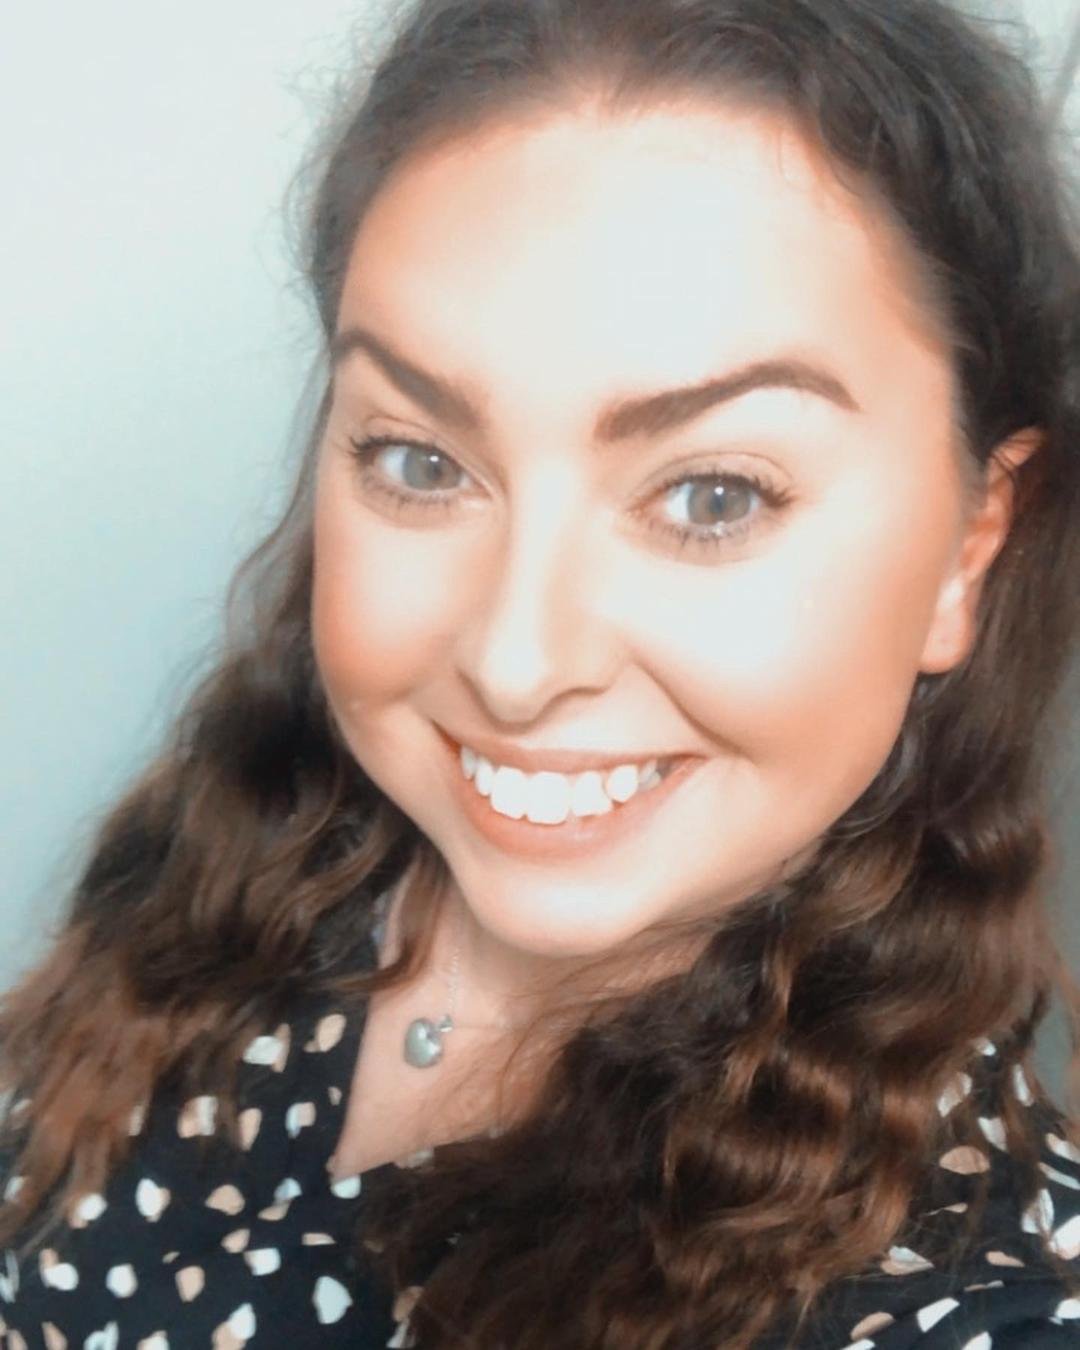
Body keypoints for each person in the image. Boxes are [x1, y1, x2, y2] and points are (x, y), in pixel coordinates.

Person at [2, 0, 1080, 1344]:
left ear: (971, 543)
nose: (515, 663)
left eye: (714, 494)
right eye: (420, 461)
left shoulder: (982, 1303)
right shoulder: (241, 877)